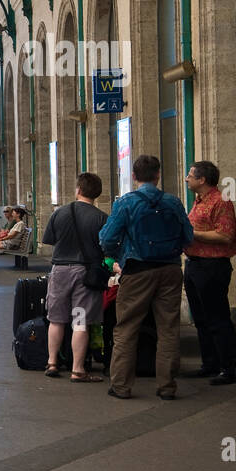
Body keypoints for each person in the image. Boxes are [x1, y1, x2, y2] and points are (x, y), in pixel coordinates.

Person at [99, 154, 194, 400]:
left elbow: (106, 238)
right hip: (171, 270)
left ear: (134, 176)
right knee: (168, 328)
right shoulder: (173, 202)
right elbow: (188, 236)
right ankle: (167, 387)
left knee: (127, 327)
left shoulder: (126, 203)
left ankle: (120, 385)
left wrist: (117, 256)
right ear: (158, 175)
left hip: (138, 270)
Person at [41, 173, 108, 382]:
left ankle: (52, 362)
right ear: (97, 194)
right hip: (84, 275)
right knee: (79, 321)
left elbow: (49, 240)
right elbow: (107, 245)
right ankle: (77, 369)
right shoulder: (100, 217)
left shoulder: (59, 213)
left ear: (78, 189)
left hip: (60, 271)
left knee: (56, 319)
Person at [183, 161, 236, 384]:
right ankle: (210, 363)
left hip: (212, 267)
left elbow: (225, 236)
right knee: (201, 318)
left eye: (190, 175)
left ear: (202, 179)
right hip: (195, 264)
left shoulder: (221, 201)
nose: (186, 179)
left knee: (217, 318)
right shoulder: (198, 201)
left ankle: (230, 367)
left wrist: (192, 233)